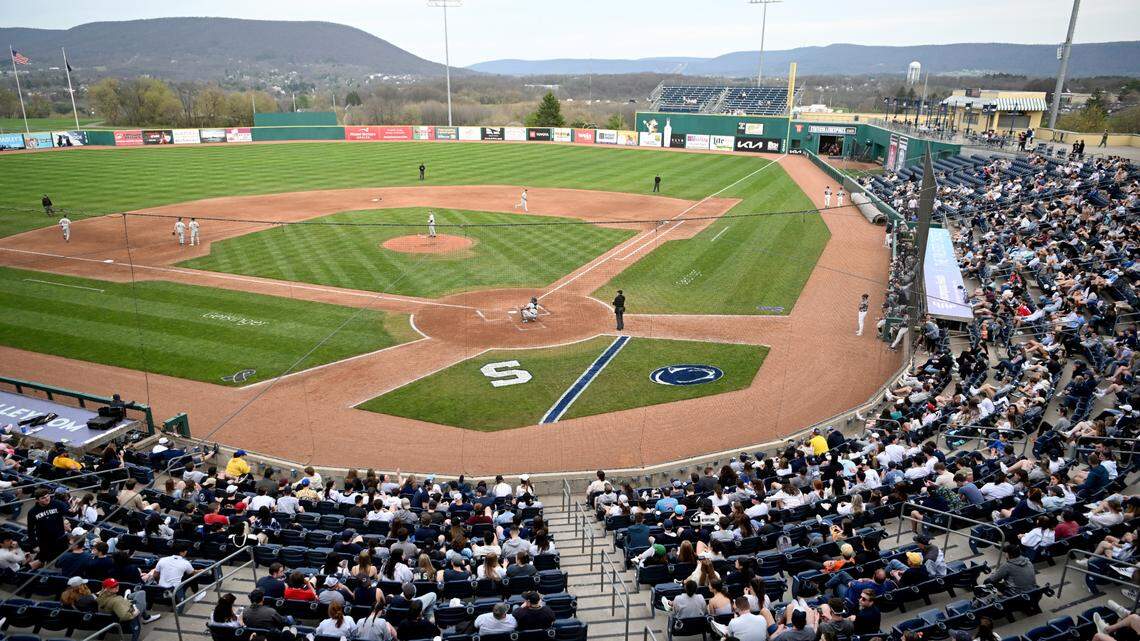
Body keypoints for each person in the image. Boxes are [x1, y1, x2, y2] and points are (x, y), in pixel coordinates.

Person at [27, 488, 70, 568]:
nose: (47, 499)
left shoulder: (57, 504)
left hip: (60, 537)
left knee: (62, 556)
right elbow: (30, 530)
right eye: (43, 498)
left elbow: (68, 512)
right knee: (42, 560)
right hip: (45, 541)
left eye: (47, 496)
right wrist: (34, 544)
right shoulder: (32, 512)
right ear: (37, 500)